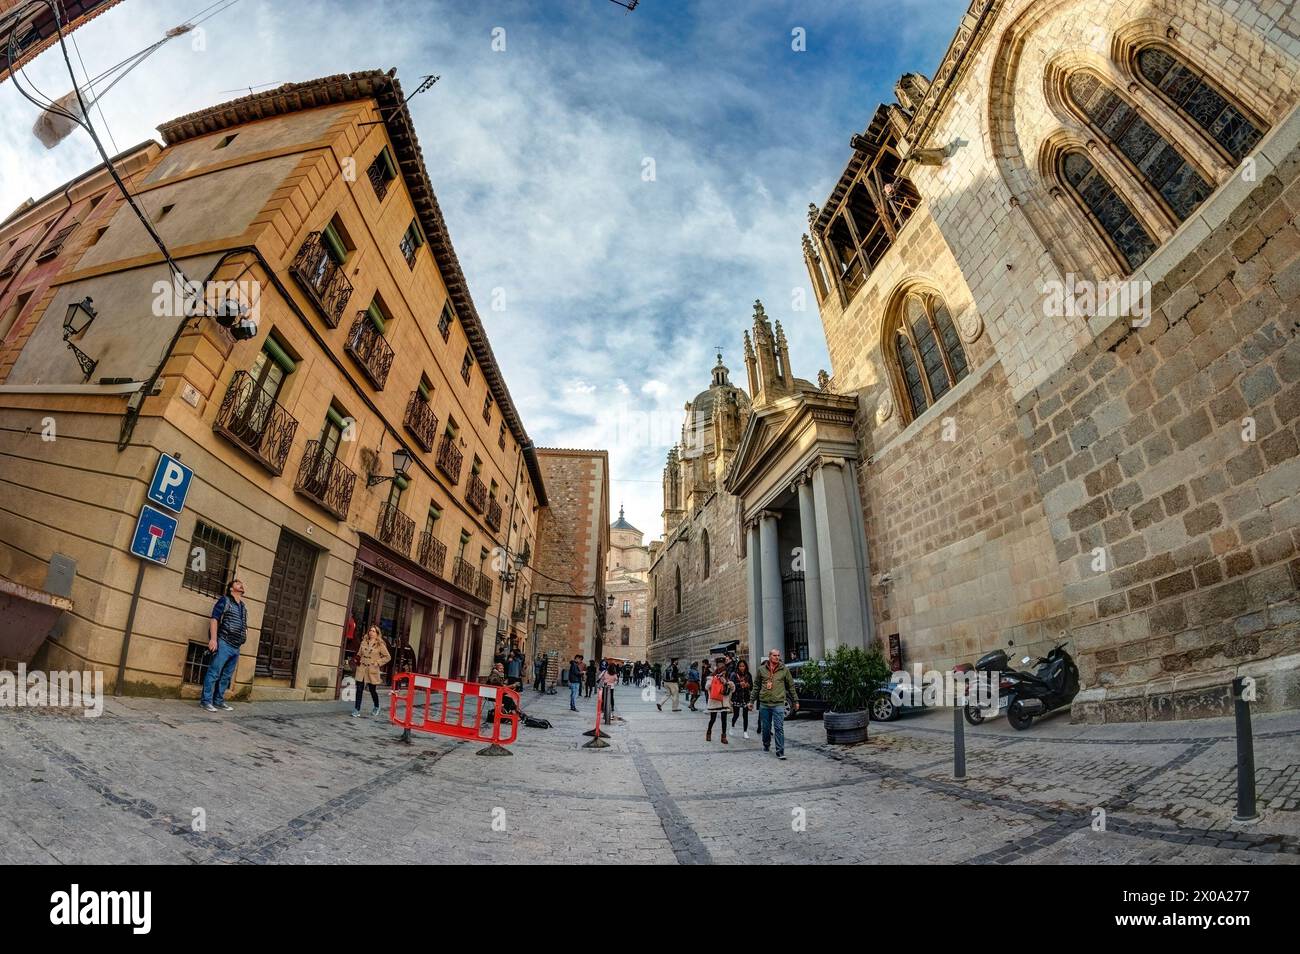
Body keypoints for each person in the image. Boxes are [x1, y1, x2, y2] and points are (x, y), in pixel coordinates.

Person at [201, 579, 248, 712]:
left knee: (226, 676)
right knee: (214, 672)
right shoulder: (225, 600)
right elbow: (215, 618)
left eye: (241, 583)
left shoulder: (243, 607)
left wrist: (245, 634)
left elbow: (244, 624)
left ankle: (219, 701)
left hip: (236, 646)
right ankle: (206, 701)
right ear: (231, 589)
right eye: (238, 583)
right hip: (224, 642)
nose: (241, 584)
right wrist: (214, 640)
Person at [755, 648, 798, 759]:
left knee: (779, 727)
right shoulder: (761, 670)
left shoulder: (784, 669)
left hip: (778, 703)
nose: (777, 657)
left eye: (778, 655)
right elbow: (756, 687)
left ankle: (780, 751)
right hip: (764, 704)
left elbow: (791, 686)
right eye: (775, 655)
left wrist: (795, 701)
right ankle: (766, 744)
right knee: (766, 727)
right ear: (769, 656)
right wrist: (751, 701)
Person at [352, 625, 391, 718]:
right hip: (361, 668)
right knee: (359, 689)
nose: (371, 632)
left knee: (372, 690)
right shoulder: (363, 642)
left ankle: (376, 706)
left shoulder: (380, 644)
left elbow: (387, 657)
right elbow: (359, 653)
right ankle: (357, 709)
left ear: (377, 633)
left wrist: (378, 663)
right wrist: (356, 659)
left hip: (372, 669)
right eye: (370, 630)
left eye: (373, 631)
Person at [704, 657, 733, 743]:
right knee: (713, 719)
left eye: (723, 666)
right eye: (720, 666)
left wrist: (727, 683)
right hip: (714, 701)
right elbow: (707, 687)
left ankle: (723, 737)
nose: (722, 669)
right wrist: (715, 679)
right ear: (717, 666)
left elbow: (732, 689)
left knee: (724, 719)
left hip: (724, 702)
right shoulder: (712, 677)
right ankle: (709, 732)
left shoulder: (727, 677)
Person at [730, 658, 754, 740]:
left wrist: (748, 685)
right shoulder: (734, 674)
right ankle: (732, 727)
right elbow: (731, 686)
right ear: (738, 667)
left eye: (743, 666)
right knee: (736, 715)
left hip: (746, 698)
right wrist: (739, 684)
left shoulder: (748, 675)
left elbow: (752, 686)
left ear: (745, 667)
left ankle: (745, 732)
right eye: (740, 666)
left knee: (745, 715)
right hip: (737, 697)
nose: (742, 668)